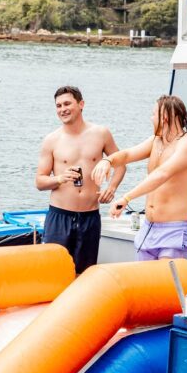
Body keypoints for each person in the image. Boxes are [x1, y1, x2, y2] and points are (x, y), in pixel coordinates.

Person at [92, 95, 187, 261]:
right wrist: (108, 160)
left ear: (164, 117)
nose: (151, 119)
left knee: (167, 284)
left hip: (176, 230)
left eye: (153, 114)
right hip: (149, 229)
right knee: (146, 285)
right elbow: (128, 154)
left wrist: (126, 198)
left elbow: (162, 174)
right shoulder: (156, 141)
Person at [35, 86, 126, 273]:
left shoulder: (101, 134)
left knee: (85, 272)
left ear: (81, 104)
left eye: (67, 103)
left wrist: (112, 188)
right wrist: (60, 178)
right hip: (60, 216)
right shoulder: (51, 140)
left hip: (89, 216)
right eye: (58, 106)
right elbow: (40, 181)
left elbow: (121, 163)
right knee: (54, 271)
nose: (63, 109)